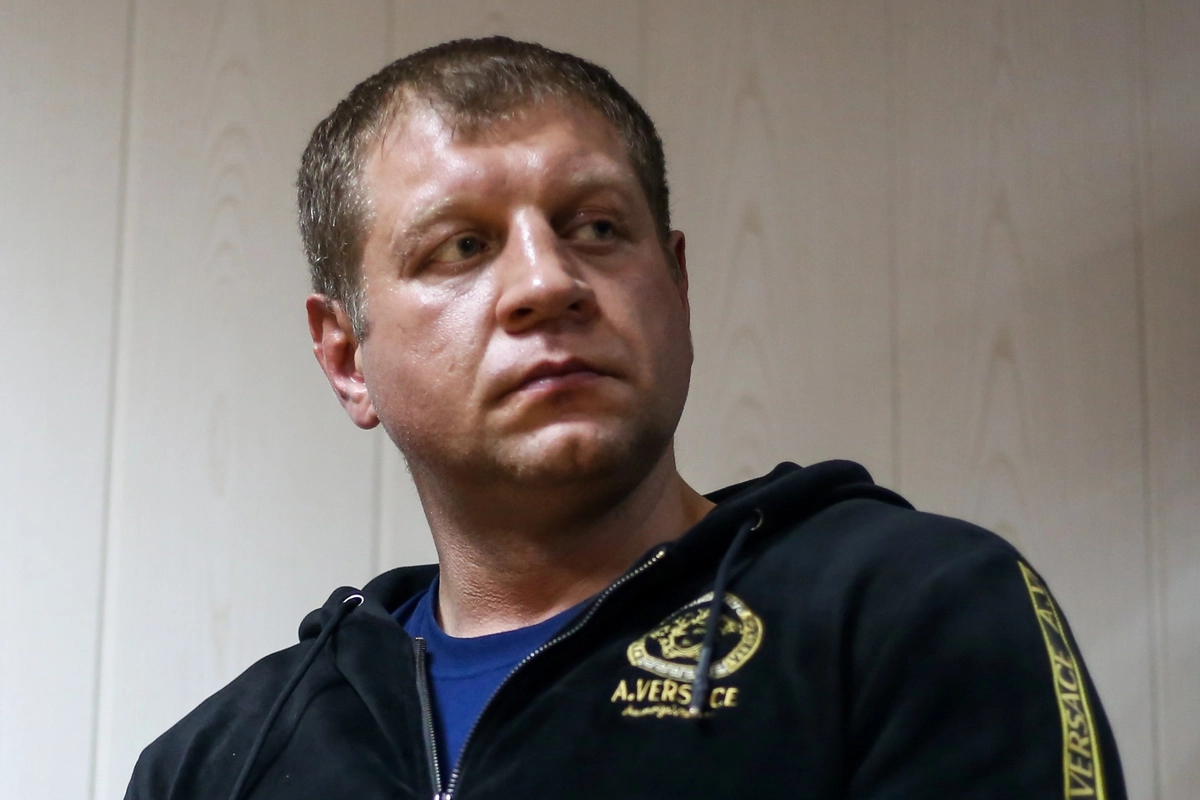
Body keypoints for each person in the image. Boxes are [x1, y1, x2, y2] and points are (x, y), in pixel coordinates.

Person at [124, 36, 1126, 800]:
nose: (547, 282)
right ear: (347, 358)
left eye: (597, 227)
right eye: (462, 246)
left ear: (677, 288)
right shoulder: (215, 763)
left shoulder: (911, 605)